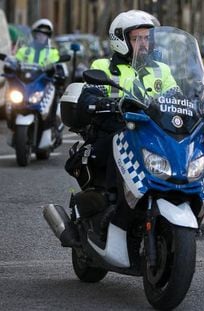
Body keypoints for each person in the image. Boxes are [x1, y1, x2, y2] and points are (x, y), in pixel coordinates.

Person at [71, 11, 178, 236]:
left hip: (152, 133)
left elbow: (178, 96)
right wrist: (97, 101)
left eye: (146, 38)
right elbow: (89, 93)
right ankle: (112, 204)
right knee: (118, 143)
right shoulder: (103, 67)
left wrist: (199, 104)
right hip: (115, 129)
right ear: (121, 40)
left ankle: (179, 203)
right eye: (136, 38)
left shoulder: (162, 70)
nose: (143, 43)